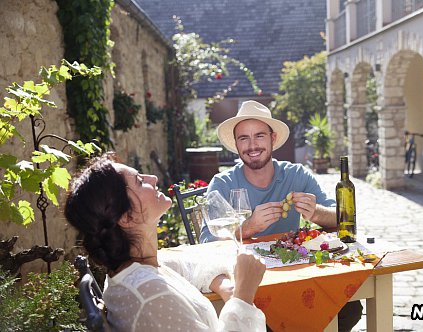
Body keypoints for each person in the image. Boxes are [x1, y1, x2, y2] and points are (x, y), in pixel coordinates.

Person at [199, 100, 362, 332]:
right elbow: (206, 242)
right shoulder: (223, 184)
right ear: (235, 144)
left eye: (259, 136)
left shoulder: (296, 175)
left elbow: (342, 218)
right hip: (251, 286)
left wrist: (316, 212)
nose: (252, 145)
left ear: (273, 139)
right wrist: (249, 227)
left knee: (351, 307)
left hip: (296, 275)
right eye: (243, 138)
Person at [64, 153, 267, 331]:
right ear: (126, 217)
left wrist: (227, 287)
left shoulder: (141, 267)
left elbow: (189, 264)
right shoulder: (150, 298)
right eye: (138, 180)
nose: (152, 178)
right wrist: (243, 294)